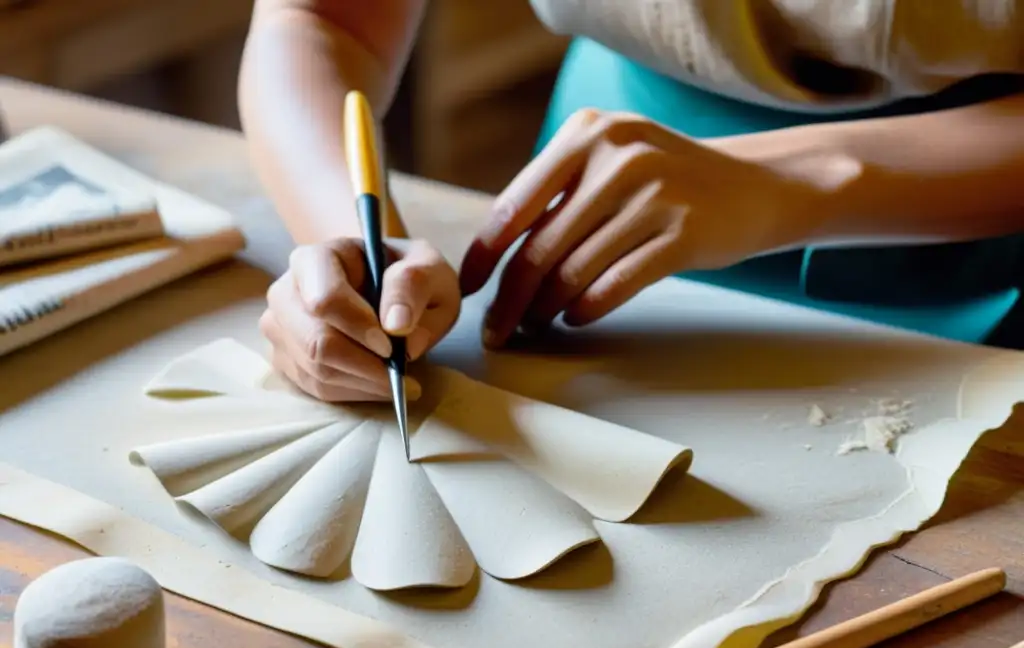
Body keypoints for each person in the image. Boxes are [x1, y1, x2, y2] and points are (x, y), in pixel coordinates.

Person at [239, 0, 1024, 403]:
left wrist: (793, 179)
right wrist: (356, 253)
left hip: (977, 234)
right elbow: (318, 19)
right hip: (588, 228)